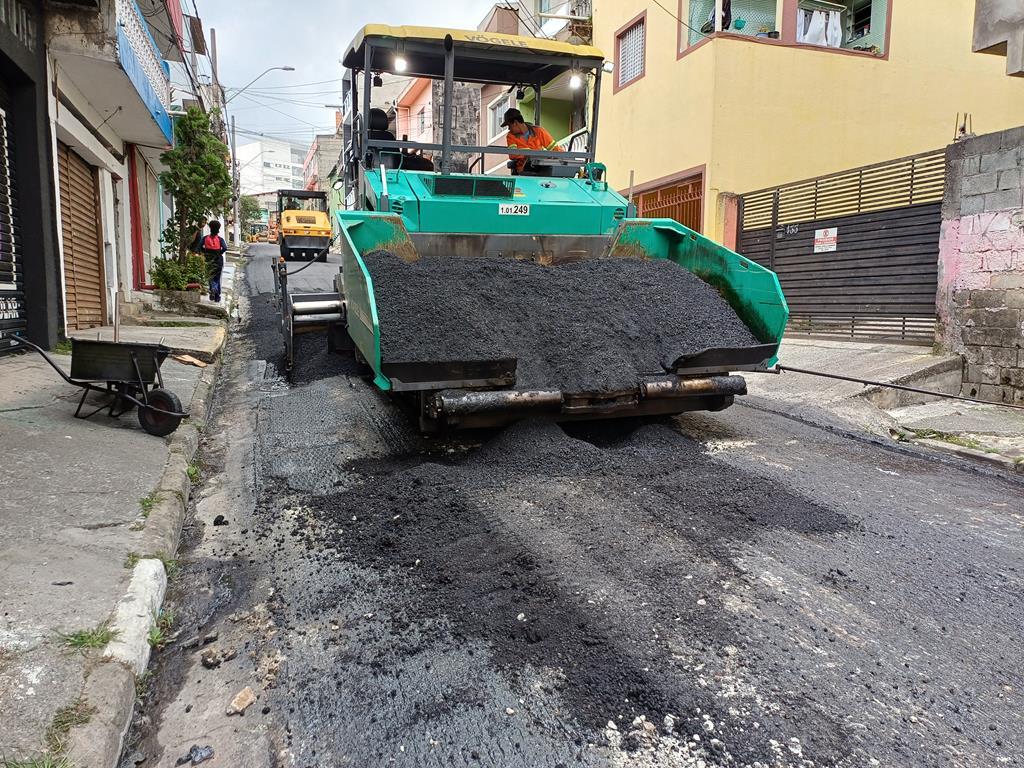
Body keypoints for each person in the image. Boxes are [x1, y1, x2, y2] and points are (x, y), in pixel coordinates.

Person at [502, 108, 561, 175]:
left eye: (509, 126)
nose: (509, 129)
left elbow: (555, 149)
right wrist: (531, 154)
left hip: (541, 168)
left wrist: (564, 158)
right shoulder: (510, 136)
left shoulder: (539, 131)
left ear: (515, 123)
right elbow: (512, 155)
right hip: (523, 171)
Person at [201, 220, 228, 302]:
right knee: (217, 277)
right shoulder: (220, 239)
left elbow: (199, 247)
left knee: (210, 277)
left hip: (208, 260)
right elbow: (225, 248)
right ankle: (217, 295)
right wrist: (219, 253)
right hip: (218, 260)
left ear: (210, 228)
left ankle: (213, 291)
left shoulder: (205, 238)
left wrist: (205, 252)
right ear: (218, 229)